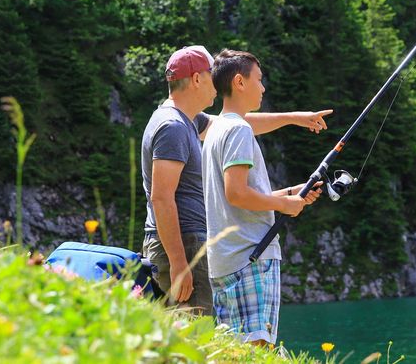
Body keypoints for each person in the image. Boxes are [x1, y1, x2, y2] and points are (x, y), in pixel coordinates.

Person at [141, 45, 331, 315]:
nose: (217, 83)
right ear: (197, 79)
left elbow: (234, 124)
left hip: (188, 243)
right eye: (211, 73)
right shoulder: (172, 126)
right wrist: (179, 263)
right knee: (192, 339)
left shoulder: (188, 121)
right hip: (182, 246)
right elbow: (161, 197)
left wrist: (294, 119)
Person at [202, 49, 322, 345]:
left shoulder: (217, 129)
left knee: (233, 351)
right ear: (240, 82)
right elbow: (236, 193)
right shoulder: (239, 130)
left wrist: (289, 194)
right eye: (259, 79)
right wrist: (284, 205)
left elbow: (234, 194)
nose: (263, 87)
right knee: (258, 349)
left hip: (224, 261)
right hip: (250, 259)